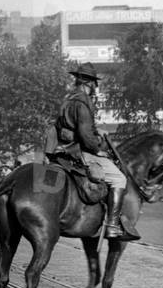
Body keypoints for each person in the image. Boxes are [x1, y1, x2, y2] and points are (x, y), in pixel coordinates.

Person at [47, 61, 138, 240]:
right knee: (120, 179)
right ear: (90, 83)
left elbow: (73, 125)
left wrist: (98, 130)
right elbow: (84, 135)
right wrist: (98, 150)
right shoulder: (83, 102)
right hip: (78, 151)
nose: (95, 88)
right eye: (95, 84)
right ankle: (112, 225)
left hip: (61, 150)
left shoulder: (69, 99)